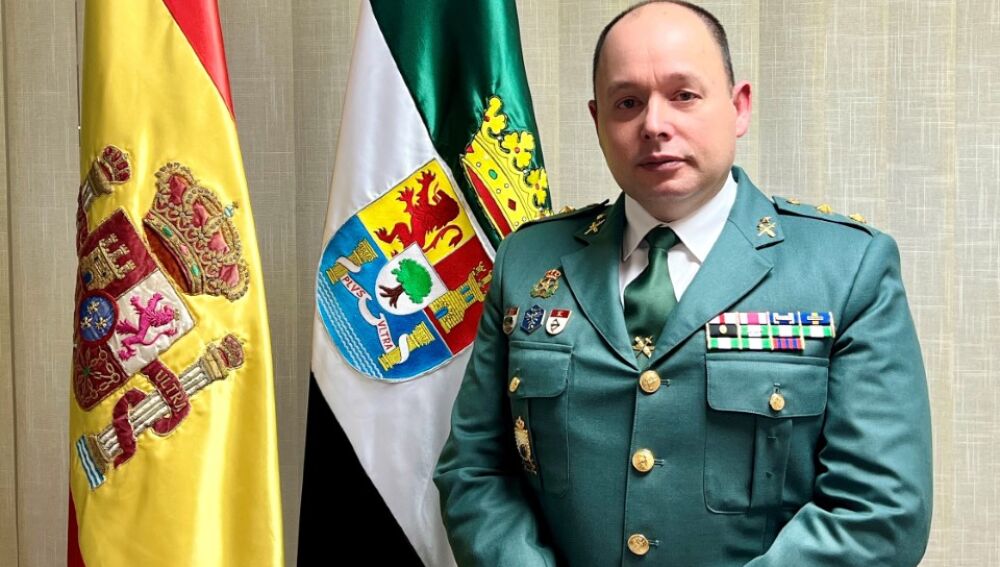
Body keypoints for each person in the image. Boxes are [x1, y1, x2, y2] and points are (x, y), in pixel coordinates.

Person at [433, 1, 933, 565]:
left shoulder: (844, 268)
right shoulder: (527, 261)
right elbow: (475, 469)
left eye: (684, 95)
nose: (654, 124)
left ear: (739, 107)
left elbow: (879, 510)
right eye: (627, 102)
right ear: (597, 121)